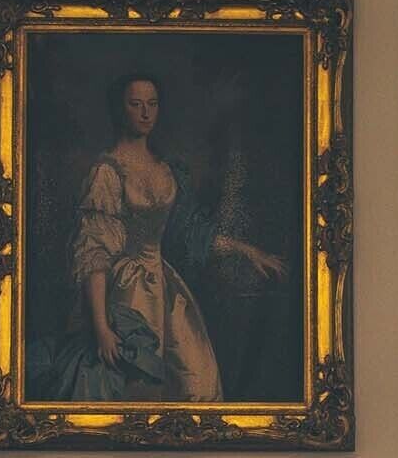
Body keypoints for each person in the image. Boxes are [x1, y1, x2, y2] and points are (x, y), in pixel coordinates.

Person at [67, 73, 286, 401]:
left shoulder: (168, 171)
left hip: (167, 287)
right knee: (140, 385)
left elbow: (192, 233)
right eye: (136, 104)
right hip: (125, 292)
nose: (145, 113)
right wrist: (101, 326)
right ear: (120, 109)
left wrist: (247, 250)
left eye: (152, 104)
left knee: (198, 380)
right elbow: (94, 253)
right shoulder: (107, 172)